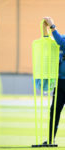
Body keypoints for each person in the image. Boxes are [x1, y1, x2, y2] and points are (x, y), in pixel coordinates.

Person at [42, 17, 65, 145]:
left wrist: (52, 26)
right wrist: (45, 29)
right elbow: (52, 42)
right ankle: (51, 140)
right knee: (54, 112)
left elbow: (60, 41)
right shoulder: (63, 38)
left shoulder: (63, 40)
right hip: (60, 82)